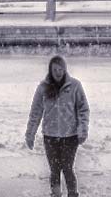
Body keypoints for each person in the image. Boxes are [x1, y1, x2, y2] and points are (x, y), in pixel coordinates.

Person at [25, 56, 90, 197]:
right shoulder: (43, 87)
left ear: (65, 69)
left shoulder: (75, 86)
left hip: (70, 136)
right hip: (50, 136)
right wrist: (30, 134)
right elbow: (35, 112)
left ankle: (72, 194)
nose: (58, 72)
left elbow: (83, 109)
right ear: (50, 70)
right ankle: (56, 194)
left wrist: (82, 130)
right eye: (55, 69)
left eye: (61, 69)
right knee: (54, 169)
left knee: (67, 168)